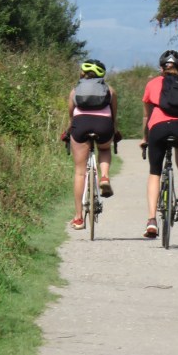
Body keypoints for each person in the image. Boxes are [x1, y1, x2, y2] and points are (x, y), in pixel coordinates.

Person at [140, 50, 178, 238]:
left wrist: (145, 138)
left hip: (158, 128)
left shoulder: (152, 84)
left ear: (161, 68)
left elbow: (146, 116)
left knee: (154, 173)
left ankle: (151, 220)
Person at [65, 59, 118, 230]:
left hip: (80, 125)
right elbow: (113, 116)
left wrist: (69, 130)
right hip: (104, 125)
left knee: (80, 172)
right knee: (104, 148)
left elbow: (71, 115)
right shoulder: (109, 90)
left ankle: (79, 217)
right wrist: (114, 130)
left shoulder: (75, 91)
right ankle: (104, 176)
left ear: (82, 73)